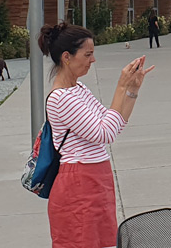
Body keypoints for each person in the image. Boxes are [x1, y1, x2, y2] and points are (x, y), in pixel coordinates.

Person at [40, 22, 153, 248]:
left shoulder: (79, 90)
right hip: (79, 182)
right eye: (88, 54)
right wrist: (121, 87)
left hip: (95, 178)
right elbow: (105, 133)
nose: (93, 60)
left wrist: (132, 91)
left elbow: (115, 122)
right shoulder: (61, 98)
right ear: (66, 57)